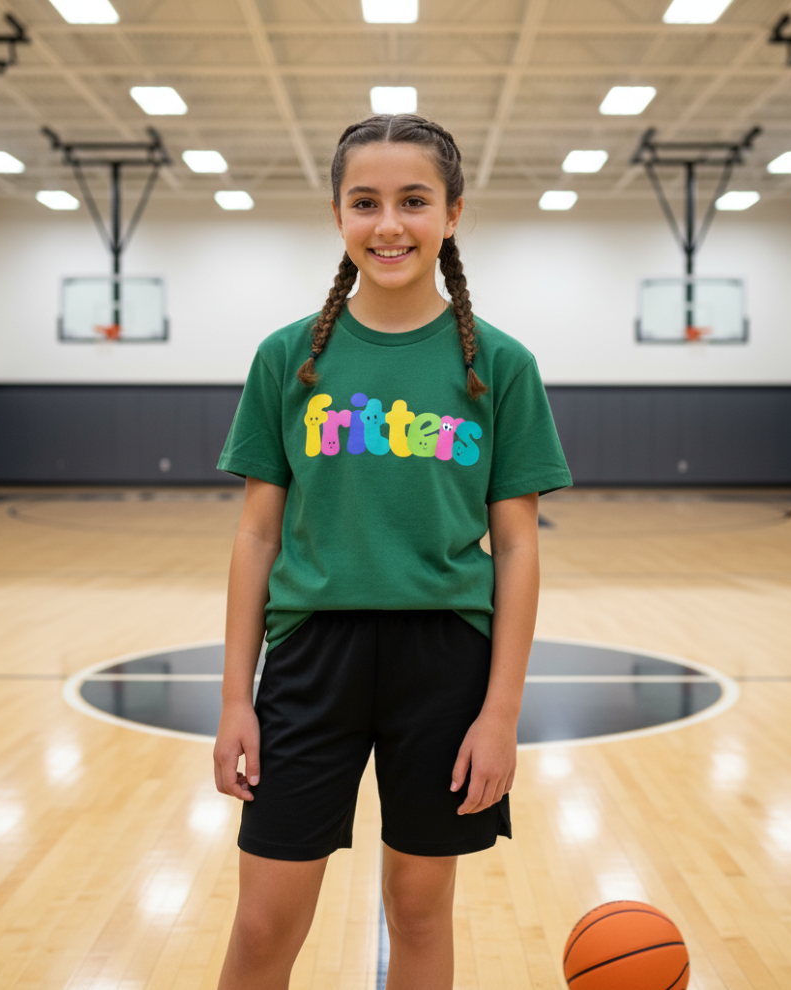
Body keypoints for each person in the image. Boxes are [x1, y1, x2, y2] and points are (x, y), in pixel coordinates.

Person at [213, 113, 571, 990]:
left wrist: (501, 714)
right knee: (262, 927)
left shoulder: (501, 365)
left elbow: (518, 551)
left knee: (417, 913)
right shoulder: (289, 358)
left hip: (444, 661)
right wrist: (234, 699)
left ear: (453, 212)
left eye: (414, 201)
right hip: (310, 661)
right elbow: (257, 532)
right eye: (365, 202)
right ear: (338, 214)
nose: (389, 224)